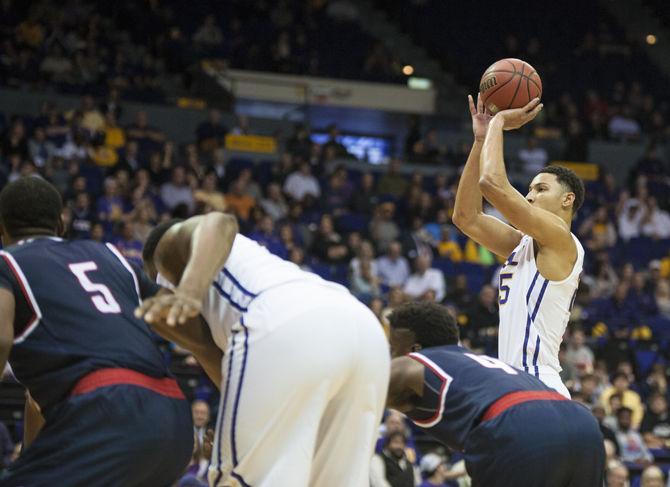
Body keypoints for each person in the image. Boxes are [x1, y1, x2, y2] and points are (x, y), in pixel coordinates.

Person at [137, 212, 390, 487]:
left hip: (283, 319)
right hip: (364, 330)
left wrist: (189, 291)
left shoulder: (175, 248)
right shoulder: (251, 275)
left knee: (239, 481)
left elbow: (221, 222)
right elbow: (215, 360)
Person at [0, 177, 222, 485]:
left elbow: (1, 337)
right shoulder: (110, 255)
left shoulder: (6, 264)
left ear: (2, 229)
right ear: (61, 225)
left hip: (103, 413)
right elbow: (185, 320)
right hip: (172, 417)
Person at [386, 302, 604, 487]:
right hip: (581, 423)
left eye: (392, 349)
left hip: (517, 427)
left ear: (413, 350)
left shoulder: (414, 363)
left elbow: (361, 386)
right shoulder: (477, 362)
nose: (389, 355)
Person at [453, 94, 584, 398]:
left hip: (537, 384)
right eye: (529, 189)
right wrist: (480, 141)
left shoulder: (560, 238)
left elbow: (493, 185)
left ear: (567, 200)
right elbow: (466, 217)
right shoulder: (526, 244)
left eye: (540, 189)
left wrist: (499, 121)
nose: (529, 196)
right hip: (515, 383)